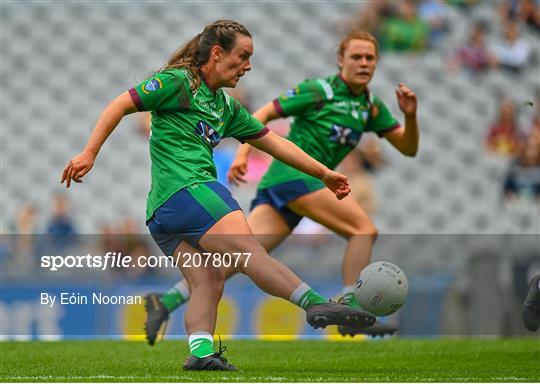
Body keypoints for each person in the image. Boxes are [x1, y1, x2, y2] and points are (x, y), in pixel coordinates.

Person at [60, 19, 375, 371]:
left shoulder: (226, 107)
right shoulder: (177, 83)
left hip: (161, 214)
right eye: (242, 56)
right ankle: (315, 303)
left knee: (208, 280)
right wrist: (89, 152)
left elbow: (274, 143)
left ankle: (199, 352)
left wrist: (324, 173)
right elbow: (120, 104)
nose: (248, 66)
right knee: (250, 250)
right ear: (215, 53)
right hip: (190, 191)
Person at [145, 30, 419, 343]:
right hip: (294, 177)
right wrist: (244, 152)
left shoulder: (371, 107)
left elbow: (408, 148)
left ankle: (164, 302)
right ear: (341, 60)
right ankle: (350, 308)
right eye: (356, 56)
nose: (363, 63)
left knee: (240, 259)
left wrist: (410, 117)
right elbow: (264, 116)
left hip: (298, 185)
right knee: (363, 230)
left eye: (370, 57)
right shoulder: (319, 90)